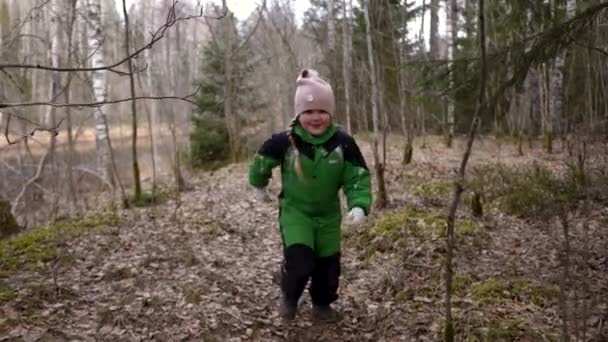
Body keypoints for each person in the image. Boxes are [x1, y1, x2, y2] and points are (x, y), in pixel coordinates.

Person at [248, 69, 372, 322]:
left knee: (328, 265)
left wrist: (359, 204)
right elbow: (261, 161)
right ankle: (290, 296)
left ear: (331, 113)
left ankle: (322, 304)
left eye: (322, 111)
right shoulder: (285, 140)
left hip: (328, 216)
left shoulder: (343, 143)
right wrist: (259, 185)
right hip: (296, 212)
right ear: (298, 113)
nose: (315, 118)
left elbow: (357, 176)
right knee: (300, 260)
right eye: (308, 112)